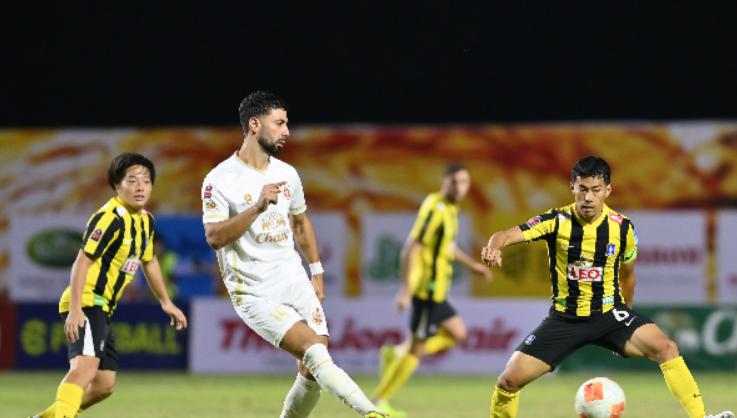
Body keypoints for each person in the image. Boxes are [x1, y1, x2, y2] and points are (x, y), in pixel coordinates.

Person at [480, 156, 734, 418]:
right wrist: (493, 247)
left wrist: (627, 314)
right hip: (565, 319)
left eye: (596, 190)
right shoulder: (556, 220)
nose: (588, 198)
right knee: (507, 382)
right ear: (572, 187)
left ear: (608, 191)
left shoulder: (622, 228)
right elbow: (505, 235)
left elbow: (628, 275)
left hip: (609, 314)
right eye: (583, 189)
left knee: (667, 348)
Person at [201, 91, 389, 418]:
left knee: (312, 365)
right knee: (314, 352)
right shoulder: (219, 179)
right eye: (279, 123)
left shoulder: (287, 173)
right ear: (254, 125)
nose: (287, 131)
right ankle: (371, 412)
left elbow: (300, 223)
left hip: (293, 280)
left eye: (286, 123)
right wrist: (257, 207)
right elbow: (215, 237)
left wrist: (316, 271)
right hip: (254, 290)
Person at [29, 152, 188, 418]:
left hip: (103, 307)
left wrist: (166, 302)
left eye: (146, 181)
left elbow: (149, 261)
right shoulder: (109, 218)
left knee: (104, 385)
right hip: (87, 301)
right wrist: (76, 309)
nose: (140, 187)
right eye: (132, 181)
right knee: (83, 370)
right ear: (117, 186)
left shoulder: (146, 221)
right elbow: (81, 262)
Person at [372, 162, 492, 417]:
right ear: (444, 183)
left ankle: (396, 352)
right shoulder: (435, 207)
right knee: (416, 350)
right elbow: (412, 247)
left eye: (464, 183)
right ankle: (379, 401)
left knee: (459, 334)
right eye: (455, 182)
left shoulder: (450, 210)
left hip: (438, 293)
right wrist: (406, 290)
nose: (460, 187)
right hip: (426, 291)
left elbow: (446, 246)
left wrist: (472, 266)